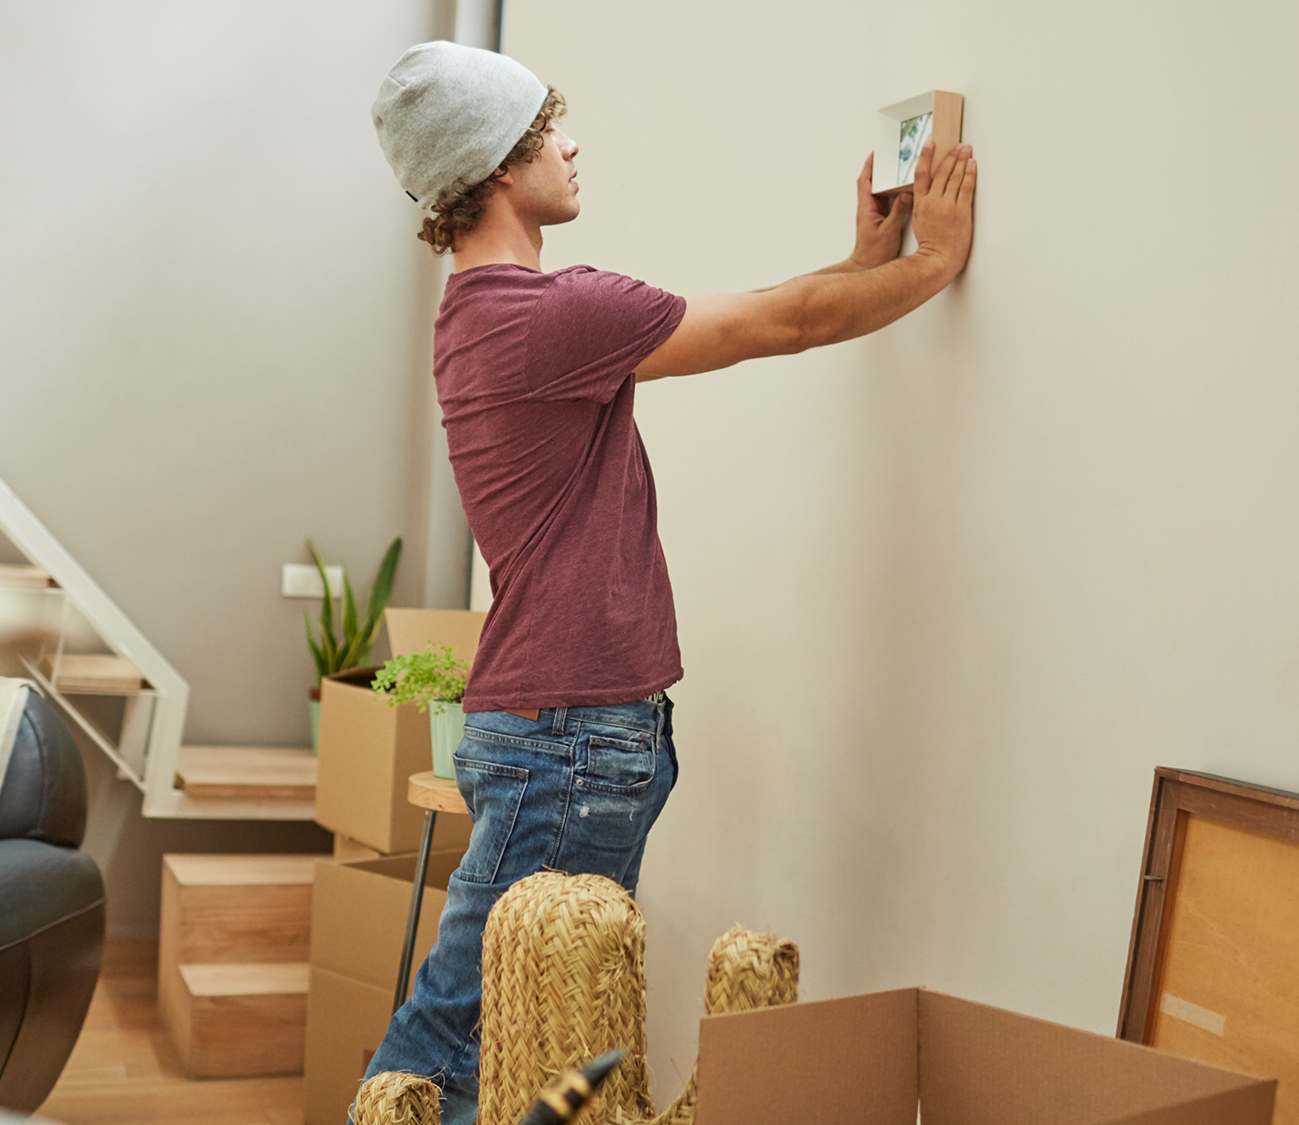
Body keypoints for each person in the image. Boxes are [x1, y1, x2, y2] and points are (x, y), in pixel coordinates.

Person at [366, 41, 975, 1125]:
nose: (572, 143)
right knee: (458, 1041)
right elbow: (774, 327)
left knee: (545, 1047)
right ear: (499, 164)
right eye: (551, 125)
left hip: (565, 731)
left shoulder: (483, 318)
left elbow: (761, 306)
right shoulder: (551, 318)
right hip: (570, 738)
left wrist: (857, 257)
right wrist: (927, 269)